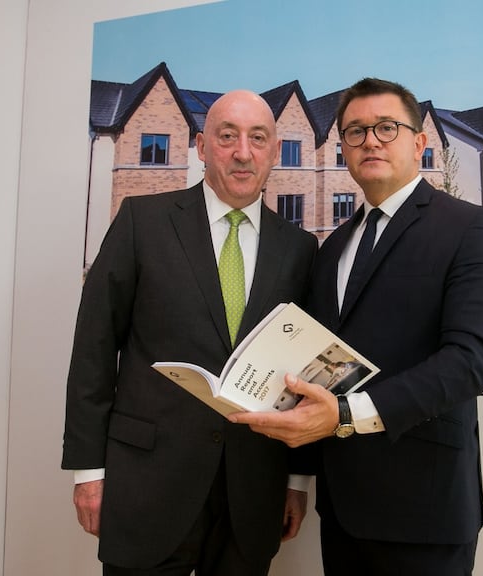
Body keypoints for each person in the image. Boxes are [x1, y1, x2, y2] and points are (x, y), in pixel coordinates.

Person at [230, 78, 483, 576]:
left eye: (386, 127)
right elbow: (317, 367)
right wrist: (299, 482)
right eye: (355, 132)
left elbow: (470, 363)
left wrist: (344, 414)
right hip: (342, 512)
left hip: (426, 511)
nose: (371, 141)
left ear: (420, 142)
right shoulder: (331, 248)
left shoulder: (471, 227)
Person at [62, 90, 317, 576]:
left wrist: (297, 481)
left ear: (273, 148)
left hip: (252, 491)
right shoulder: (142, 222)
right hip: (147, 485)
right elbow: (93, 348)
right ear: (202, 146)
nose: (243, 151)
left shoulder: (301, 249)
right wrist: (88, 472)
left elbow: (307, 371)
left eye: (257, 138)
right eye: (227, 136)